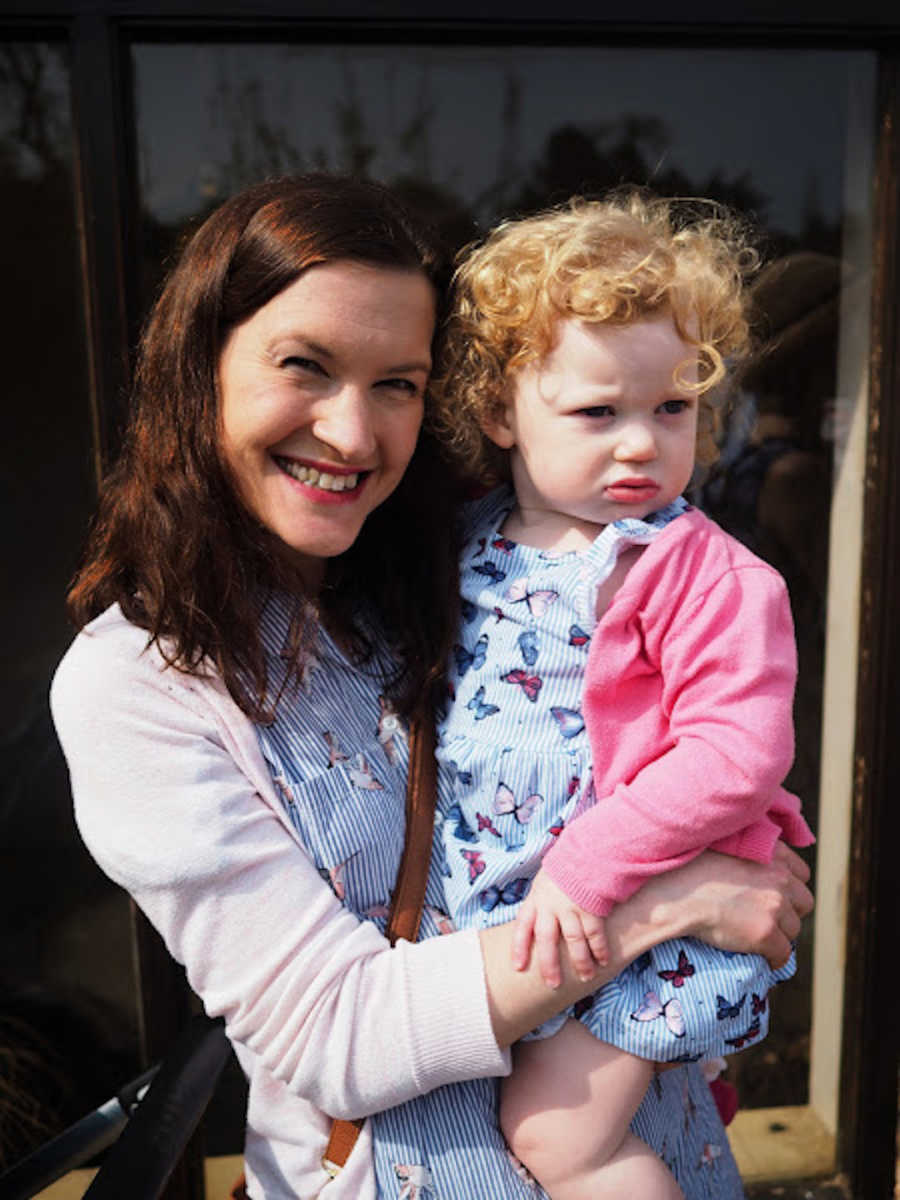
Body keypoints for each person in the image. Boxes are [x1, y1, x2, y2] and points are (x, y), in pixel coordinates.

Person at [49, 174, 813, 1200]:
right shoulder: (137, 684)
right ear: (200, 368)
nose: (353, 434)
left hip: (649, 1148)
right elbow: (341, 1031)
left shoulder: (437, 565)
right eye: (304, 366)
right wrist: (668, 904)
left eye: (397, 383)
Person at [429, 194, 814, 1200]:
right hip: (510, 920)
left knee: (561, 1140)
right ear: (498, 412)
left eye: (671, 409)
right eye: (599, 412)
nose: (641, 444)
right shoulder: (466, 545)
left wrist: (588, 871)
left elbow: (735, 756)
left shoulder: (708, 575)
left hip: (636, 923)